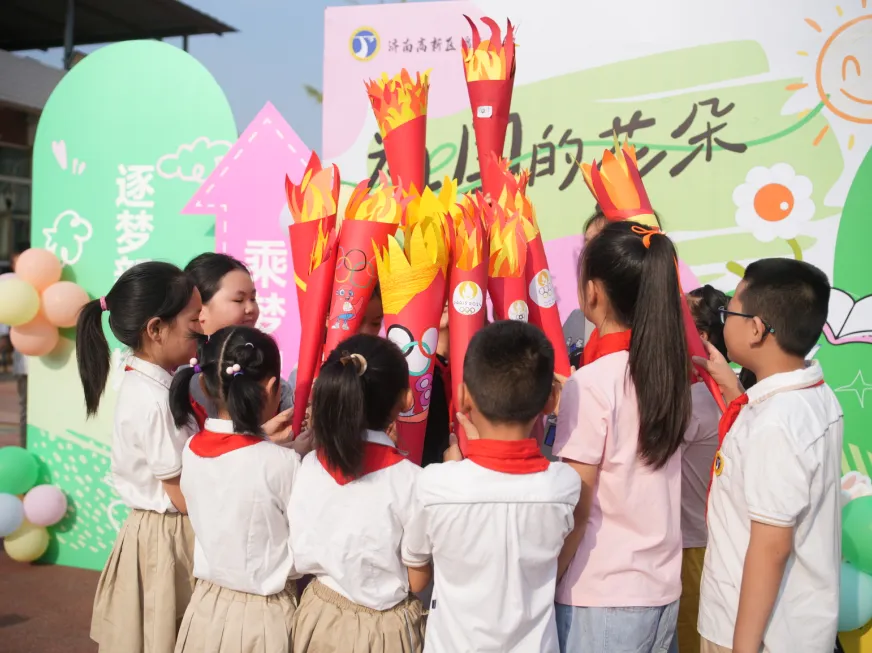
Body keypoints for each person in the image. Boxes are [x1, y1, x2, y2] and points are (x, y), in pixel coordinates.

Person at [554, 221, 691, 653]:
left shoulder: (592, 383)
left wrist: (545, 578)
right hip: (659, 590)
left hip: (602, 594)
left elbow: (577, 509)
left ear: (592, 292)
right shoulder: (669, 375)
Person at [402, 321, 580, 652]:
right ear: (549, 401)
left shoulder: (436, 486)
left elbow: (416, 564)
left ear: (463, 396)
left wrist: (456, 469)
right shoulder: (564, 486)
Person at [693, 258, 842, 653]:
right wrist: (732, 388)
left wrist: (743, 647)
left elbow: (770, 549)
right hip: (792, 626)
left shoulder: (774, 425)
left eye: (729, 313)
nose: (724, 322)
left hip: (751, 635)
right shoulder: (810, 394)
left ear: (756, 329)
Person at [76, 261, 203, 653]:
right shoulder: (155, 399)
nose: (202, 328)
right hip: (168, 538)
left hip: (161, 533)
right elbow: (182, 495)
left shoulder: (153, 382)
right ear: (156, 329)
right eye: (194, 320)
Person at [288, 334, 428, 653]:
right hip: (384, 630)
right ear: (406, 399)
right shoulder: (412, 481)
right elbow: (418, 580)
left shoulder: (310, 464)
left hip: (317, 615)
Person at [168, 326, 301, 653]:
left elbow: (239, 458)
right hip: (265, 617)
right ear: (273, 387)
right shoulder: (282, 463)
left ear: (203, 384)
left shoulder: (192, 449)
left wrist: (269, 441)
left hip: (205, 607)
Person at [671, 285, 730, 653]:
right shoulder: (728, 391)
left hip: (691, 548)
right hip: (709, 543)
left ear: (702, 338)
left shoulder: (695, 400)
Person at [183, 253, 292, 424]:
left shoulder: (267, 374)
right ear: (199, 309)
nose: (251, 309)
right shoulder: (184, 376)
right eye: (239, 300)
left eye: (253, 299)